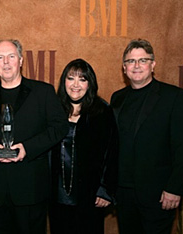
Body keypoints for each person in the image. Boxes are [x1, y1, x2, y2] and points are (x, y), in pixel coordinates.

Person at [0, 39, 68, 234]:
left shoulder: (43, 92)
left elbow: (60, 127)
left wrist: (29, 148)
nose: (6, 62)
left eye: (11, 56)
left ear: (21, 60)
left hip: (31, 191)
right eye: (0, 57)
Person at [111, 39, 183, 234]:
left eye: (143, 60)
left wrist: (175, 188)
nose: (137, 66)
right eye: (131, 61)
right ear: (124, 68)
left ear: (153, 64)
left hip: (159, 194)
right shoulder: (117, 97)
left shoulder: (174, 97)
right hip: (124, 193)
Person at [49, 59, 118, 234]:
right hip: (56, 193)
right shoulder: (53, 110)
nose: (76, 85)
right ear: (64, 81)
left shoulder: (102, 112)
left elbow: (112, 152)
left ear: (90, 84)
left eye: (82, 79)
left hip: (90, 194)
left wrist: (105, 189)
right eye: (71, 78)